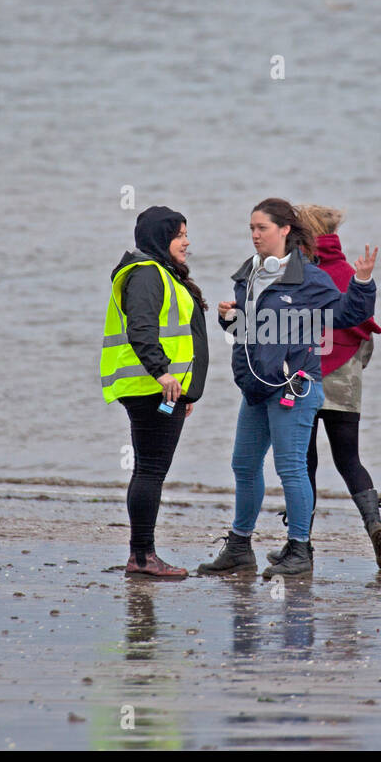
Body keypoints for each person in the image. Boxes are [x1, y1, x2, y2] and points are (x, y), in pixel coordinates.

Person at [198, 197, 377, 579]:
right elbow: (248, 335)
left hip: (294, 388)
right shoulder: (248, 274)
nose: (255, 235)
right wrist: (227, 319)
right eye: (251, 228)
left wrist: (362, 282)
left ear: (284, 231)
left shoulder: (309, 278)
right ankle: (240, 547)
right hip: (255, 388)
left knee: (291, 469)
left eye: (261, 228)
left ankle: (300, 550)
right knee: (243, 465)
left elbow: (348, 315)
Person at [269, 203, 381, 571]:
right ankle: (374, 522)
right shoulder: (346, 271)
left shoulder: (299, 271)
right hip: (345, 377)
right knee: (349, 459)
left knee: (303, 462)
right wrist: (355, 368)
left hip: (302, 376)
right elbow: (364, 330)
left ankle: (300, 544)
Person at [99, 206, 209, 578]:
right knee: (150, 471)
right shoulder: (147, 274)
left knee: (149, 470)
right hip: (151, 388)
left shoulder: (160, 273)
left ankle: (141, 555)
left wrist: (186, 390)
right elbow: (141, 329)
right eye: (179, 235)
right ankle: (143, 556)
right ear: (160, 238)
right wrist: (163, 375)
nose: (186, 241)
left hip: (162, 389)